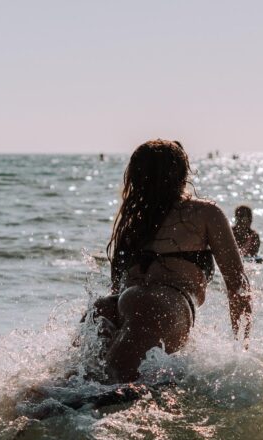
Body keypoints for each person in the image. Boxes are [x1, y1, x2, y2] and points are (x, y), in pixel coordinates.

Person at [92, 140, 252, 382]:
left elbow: (118, 288)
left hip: (108, 306)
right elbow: (238, 285)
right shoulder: (205, 213)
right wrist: (241, 353)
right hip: (160, 307)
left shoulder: (132, 220)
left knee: (79, 383)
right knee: (115, 386)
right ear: (181, 173)